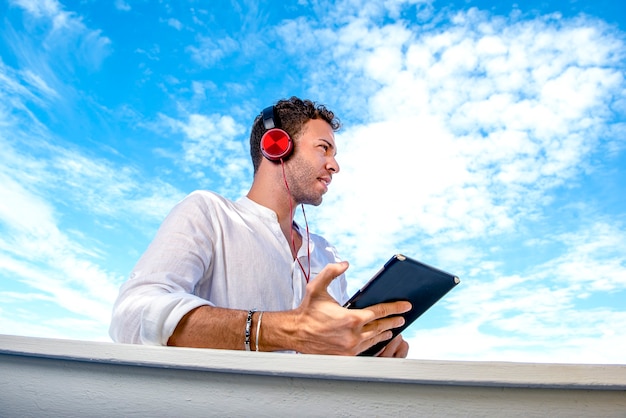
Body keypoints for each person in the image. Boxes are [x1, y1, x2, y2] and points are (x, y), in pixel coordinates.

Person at [109, 97, 411, 357]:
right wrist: (283, 329)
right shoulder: (208, 213)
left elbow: (329, 349)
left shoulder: (325, 253)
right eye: (324, 148)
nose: (335, 165)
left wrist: (370, 344)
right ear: (277, 145)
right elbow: (132, 315)